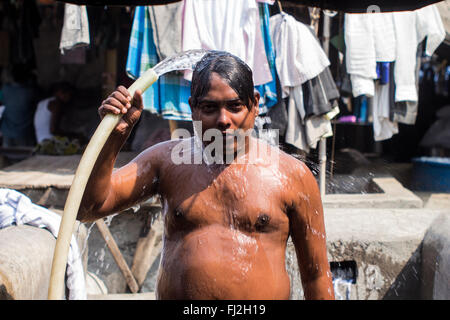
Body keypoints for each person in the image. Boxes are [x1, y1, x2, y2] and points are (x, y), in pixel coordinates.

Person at [78, 51, 335, 300]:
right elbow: (90, 208)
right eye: (210, 108)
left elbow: (316, 277)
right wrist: (114, 137)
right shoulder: (165, 162)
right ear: (193, 109)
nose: (223, 120)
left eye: (235, 106)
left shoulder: (291, 175)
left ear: (255, 105)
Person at [0, 64, 37, 148]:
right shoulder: (31, 92)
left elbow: (2, 101)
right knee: (27, 158)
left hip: (7, 132)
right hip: (24, 132)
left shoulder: (5, 90)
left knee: (8, 157)